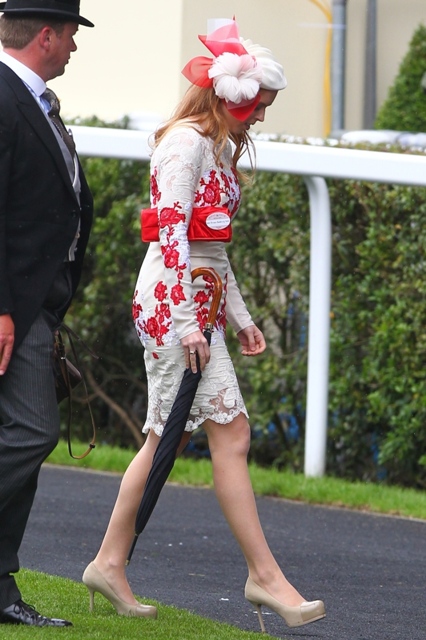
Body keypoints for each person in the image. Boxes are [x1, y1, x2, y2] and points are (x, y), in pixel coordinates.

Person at [83, 18, 325, 632]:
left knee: (167, 438)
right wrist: (192, 321)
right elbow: (171, 237)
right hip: (174, 309)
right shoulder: (185, 145)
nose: (261, 117)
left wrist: (238, 318)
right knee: (226, 433)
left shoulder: (213, 146)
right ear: (228, 96)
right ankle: (263, 576)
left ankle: (109, 563)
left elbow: (211, 250)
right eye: (258, 105)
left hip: (194, 309)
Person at [0, 0, 94, 628]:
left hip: (38, 302)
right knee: (32, 433)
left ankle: (0, 589)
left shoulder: (31, 100)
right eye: (70, 35)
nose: (74, 47)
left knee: (23, 443)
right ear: (45, 36)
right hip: (15, 303)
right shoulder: (5, 98)